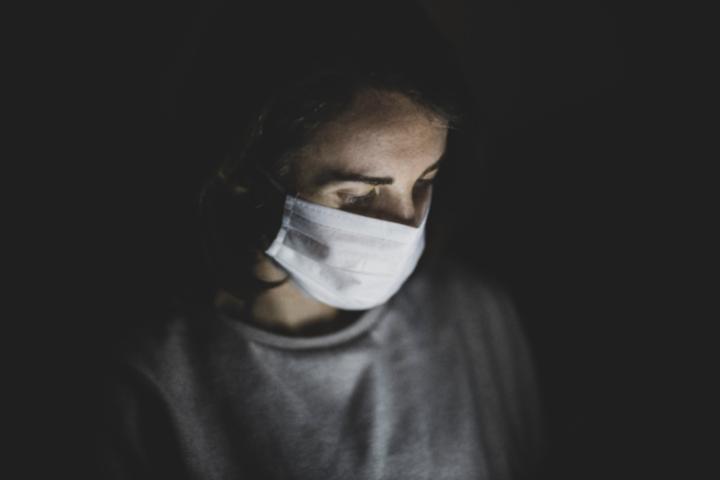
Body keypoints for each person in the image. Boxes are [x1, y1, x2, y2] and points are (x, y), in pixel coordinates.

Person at [95, 3, 545, 479]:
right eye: (358, 198)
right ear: (247, 177)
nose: (405, 225)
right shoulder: (151, 385)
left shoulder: (472, 312)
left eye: (423, 182)